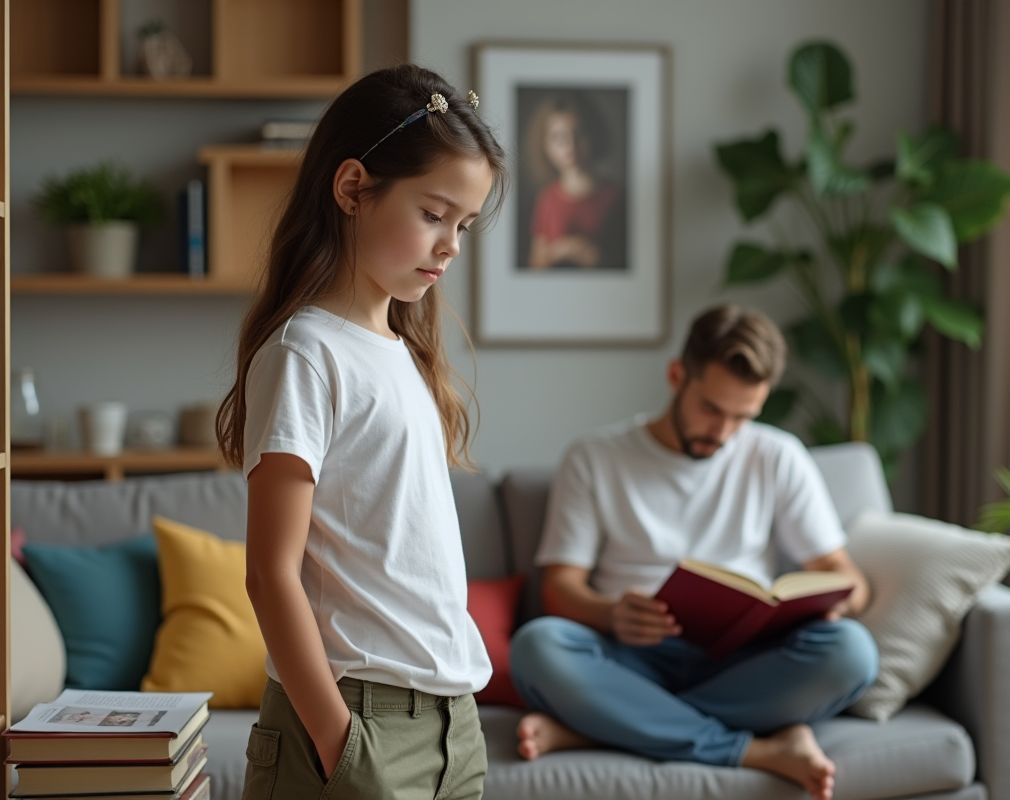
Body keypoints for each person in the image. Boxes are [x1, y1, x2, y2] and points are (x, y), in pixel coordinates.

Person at [215, 65, 508, 800]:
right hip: (356, 729)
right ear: (352, 189)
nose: (451, 247)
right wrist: (339, 742)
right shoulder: (304, 354)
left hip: (452, 728)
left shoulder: (404, 355)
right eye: (435, 214)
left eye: (464, 226)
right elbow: (269, 573)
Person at [509, 304, 879, 800]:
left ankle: (605, 725)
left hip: (742, 662)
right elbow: (559, 589)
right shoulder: (595, 457)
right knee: (539, 646)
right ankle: (752, 748)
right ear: (677, 375)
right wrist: (612, 614)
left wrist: (838, 601)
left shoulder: (778, 456)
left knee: (851, 652)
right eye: (712, 409)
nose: (723, 433)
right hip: (630, 657)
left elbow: (844, 575)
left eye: (743, 418)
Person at [524, 93, 625, 270]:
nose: (570, 146)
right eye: (558, 137)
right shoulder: (547, 198)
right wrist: (562, 250)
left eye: (578, 135)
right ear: (545, 144)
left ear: (593, 135)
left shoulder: (616, 196)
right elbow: (535, 264)